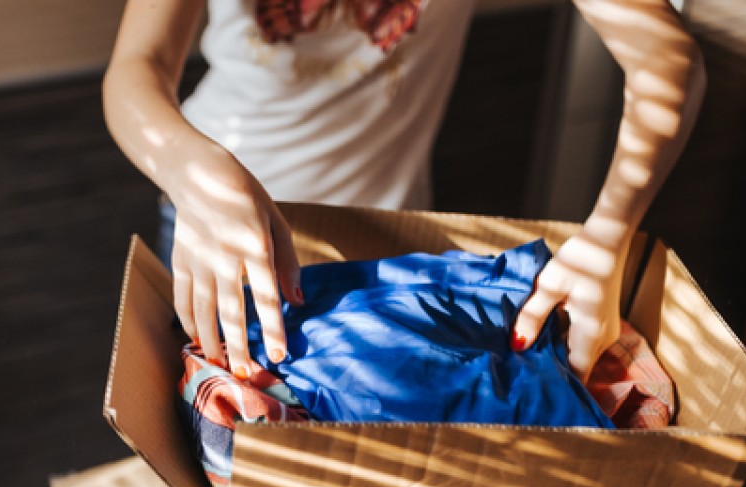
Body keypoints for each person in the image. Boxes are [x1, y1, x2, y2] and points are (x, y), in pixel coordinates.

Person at [102, 0, 706, 382]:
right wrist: (190, 169)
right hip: (215, 237)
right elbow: (138, 65)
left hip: (383, 245)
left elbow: (666, 57)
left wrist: (608, 236)